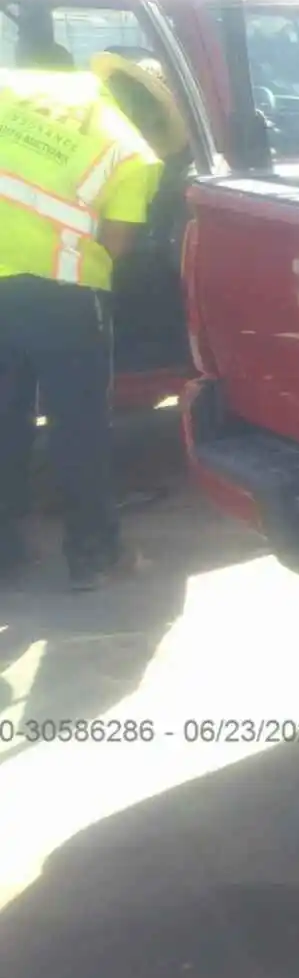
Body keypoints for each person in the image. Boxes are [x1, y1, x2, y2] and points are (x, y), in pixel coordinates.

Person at [0, 54, 165, 590]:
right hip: (65, 297)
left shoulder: (14, 83)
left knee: (3, 422)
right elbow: (116, 243)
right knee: (79, 427)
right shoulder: (131, 151)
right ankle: (94, 553)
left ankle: (5, 551)